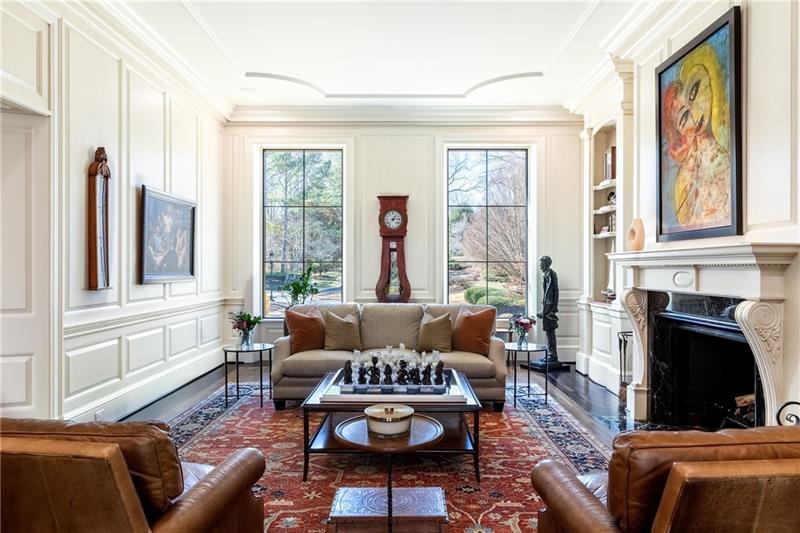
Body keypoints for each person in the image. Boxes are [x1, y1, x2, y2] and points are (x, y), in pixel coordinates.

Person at [530, 255, 565, 371]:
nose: (539, 266)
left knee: (550, 331)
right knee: (548, 331)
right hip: (546, 305)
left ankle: (553, 355)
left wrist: (554, 308)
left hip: (550, 307)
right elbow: (546, 291)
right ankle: (551, 354)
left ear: (546, 264)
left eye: (541, 264)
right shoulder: (545, 275)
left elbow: (556, 291)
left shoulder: (552, 274)